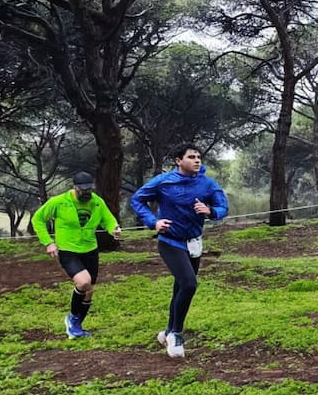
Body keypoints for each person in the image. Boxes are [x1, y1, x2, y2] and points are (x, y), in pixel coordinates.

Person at [130, 144, 229, 358]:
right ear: (178, 160)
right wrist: (153, 222)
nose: (197, 160)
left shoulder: (207, 184)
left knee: (180, 288)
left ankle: (167, 332)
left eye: (199, 157)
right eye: (191, 157)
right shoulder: (163, 181)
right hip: (170, 241)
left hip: (193, 243)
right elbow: (137, 199)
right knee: (189, 283)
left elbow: (223, 207)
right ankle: (176, 333)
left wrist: (210, 211)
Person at [31, 171, 122, 339]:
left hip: (90, 249)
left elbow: (108, 219)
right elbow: (38, 219)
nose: (87, 193)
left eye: (89, 189)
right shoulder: (59, 202)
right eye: (83, 190)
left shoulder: (97, 202)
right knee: (84, 282)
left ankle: (76, 326)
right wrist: (48, 242)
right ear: (75, 187)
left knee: (89, 290)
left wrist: (114, 229)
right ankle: (72, 318)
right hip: (68, 249)